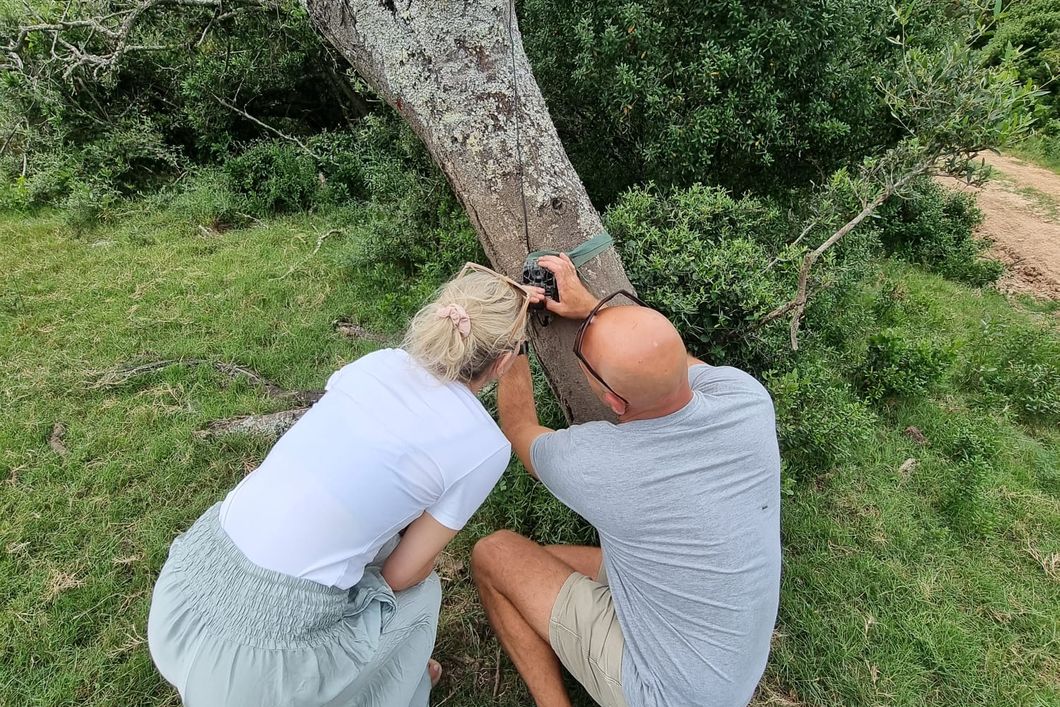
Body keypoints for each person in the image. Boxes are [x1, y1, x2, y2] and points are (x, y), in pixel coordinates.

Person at [147, 263, 543, 706]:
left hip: (183, 598)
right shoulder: (484, 446)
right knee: (419, 594)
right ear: (504, 361)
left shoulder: (378, 363)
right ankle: (397, 681)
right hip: (257, 672)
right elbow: (401, 575)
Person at [471, 254, 781, 707]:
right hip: (730, 669)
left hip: (667, 694)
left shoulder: (601, 464)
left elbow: (520, 429)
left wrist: (511, 343)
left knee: (494, 553)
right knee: (543, 560)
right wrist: (592, 310)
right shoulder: (746, 399)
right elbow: (665, 359)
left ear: (614, 402)